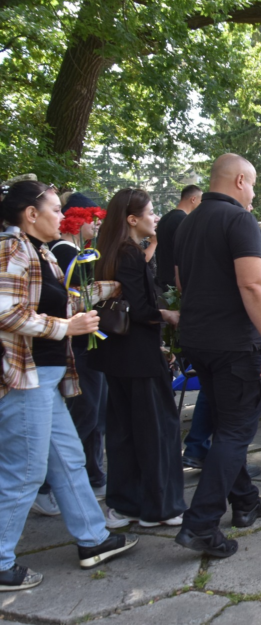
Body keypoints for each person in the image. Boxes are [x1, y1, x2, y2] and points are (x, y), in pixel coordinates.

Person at [0, 181, 138, 590]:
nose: (62, 216)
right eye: (55, 209)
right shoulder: (12, 248)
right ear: (31, 214)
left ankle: (93, 539)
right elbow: (6, 313)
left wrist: (115, 285)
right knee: (25, 472)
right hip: (25, 379)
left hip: (45, 378)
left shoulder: (41, 252)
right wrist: (66, 328)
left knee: (68, 460)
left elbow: (67, 300)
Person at [173, 153, 261, 558]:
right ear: (239, 181)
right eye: (252, 184)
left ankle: (246, 500)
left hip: (198, 339)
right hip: (234, 343)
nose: (253, 192)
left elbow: (181, 282)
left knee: (225, 425)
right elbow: (253, 284)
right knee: (235, 432)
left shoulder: (188, 222)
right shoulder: (239, 220)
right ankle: (201, 523)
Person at [92, 188, 187, 527]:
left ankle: (125, 505)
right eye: (150, 212)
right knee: (157, 430)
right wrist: (167, 315)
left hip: (115, 356)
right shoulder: (129, 254)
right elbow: (140, 308)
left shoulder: (109, 251)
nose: (155, 217)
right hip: (138, 357)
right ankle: (161, 508)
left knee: (124, 433)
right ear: (132, 219)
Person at [42, 194, 108, 507]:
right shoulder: (64, 251)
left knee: (95, 415)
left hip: (85, 341)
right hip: (77, 343)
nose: (96, 224)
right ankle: (47, 485)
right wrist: (110, 288)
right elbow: (80, 297)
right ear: (76, 219)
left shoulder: (70, 250)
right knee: (86, 414)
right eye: (91, 219)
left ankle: (93, 473)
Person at [155, 185, 202, 290]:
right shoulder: (185, 221)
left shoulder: (164, 219)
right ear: (193, 199)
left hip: (162, 275)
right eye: (200, 201)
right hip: (176, 280)